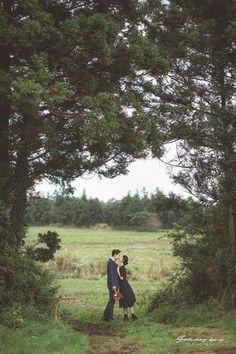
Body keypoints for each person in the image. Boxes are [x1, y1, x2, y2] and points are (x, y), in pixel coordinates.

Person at [102, 249, 121, 321]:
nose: (119, 256)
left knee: (112, 300)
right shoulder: (110, 263)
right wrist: (113, 285)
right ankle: (106, 316)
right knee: (112, 300)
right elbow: (111, 275)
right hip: (113, 285)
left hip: (114, 284)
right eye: (118, 255)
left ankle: (109, 316)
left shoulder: (112, 262)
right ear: (115, 255)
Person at [117, 255, 138, 321]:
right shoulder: (120, 266)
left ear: (123, 260)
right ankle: (125, 316)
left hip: (124, 285)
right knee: (123, 300)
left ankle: (132, 315)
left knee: (129, 299)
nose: (119, 257)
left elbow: (121, 278)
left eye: (121, 257)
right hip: (122, 285)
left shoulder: (122, 267)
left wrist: (117, 270)